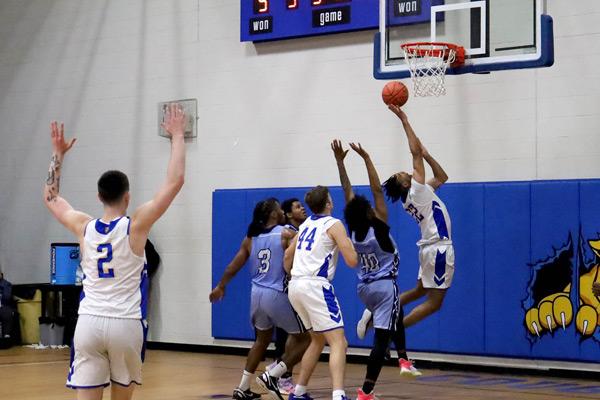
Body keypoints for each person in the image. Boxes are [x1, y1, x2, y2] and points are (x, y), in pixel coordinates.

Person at [42, 103, 187, 400]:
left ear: (98, 196)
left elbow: (50, 197)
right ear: (127, 196)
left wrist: (58, 154)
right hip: (125, 323)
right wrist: (177, 136)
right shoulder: (136, 227)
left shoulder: (84, 227)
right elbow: (175, 182)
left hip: (89, 322)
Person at [332, 140, 420, 399]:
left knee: (397, 308)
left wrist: (340, 163)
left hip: (364, 287)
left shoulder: (354, 230)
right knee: (382, 341)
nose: (372, 206)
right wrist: (367, 158)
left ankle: (404, 358)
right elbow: (377, 191)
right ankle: (367, 391)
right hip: (383, 285)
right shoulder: (378, 225)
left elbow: (347, 192)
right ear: (369, 212)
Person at [258, 186, 358, 400]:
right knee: (339, 341)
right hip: (315, 285)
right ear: (329, 204)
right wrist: (349, 244)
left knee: (317, 339)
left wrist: (295, 275)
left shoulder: (305, 226)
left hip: (295, 285)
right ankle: (339, 395)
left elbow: (287, 256)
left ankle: (299, 391)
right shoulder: (334, 224)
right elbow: (352, 261)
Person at [210, 198, 310, 400]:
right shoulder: (285, 233)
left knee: (261, 341)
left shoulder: (251, 238)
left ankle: (242, 387)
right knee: (306, 339)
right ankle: (273, 375)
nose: (282, 211)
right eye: (278, 209)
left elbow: (233, 266)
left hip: (256, 296)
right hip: (277, 294)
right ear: (273, 214)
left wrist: (221, 286)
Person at [378, 105, 454, 328]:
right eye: (404, 173)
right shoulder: (417, 191)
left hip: (428, 248)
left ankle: (384, 310)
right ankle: (394, 331)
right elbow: (415, 152)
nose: (408, 171)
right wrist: (404, 120)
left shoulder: (416, 195)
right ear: (404, 183)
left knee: (421, 290)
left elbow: (442, 177)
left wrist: (428, 155)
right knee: (434, 303)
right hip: (439, 248)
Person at [267, 198, 308, 394]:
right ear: (289, 214)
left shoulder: (302, 229)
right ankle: (283, 376)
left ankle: (277, 368)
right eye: (298, 207)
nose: (303, 209)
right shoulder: (287, 232)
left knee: (291, 334)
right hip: (286, 288)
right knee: (293, 336)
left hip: (291, 289)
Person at [0, 270, 14, 339]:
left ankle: (6, 336)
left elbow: (7, 297)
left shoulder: (6, 284)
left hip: (3, 306)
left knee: (6, 312)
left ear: (1, 275)